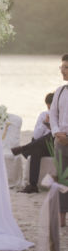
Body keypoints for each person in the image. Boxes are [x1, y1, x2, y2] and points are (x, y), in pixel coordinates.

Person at [11, 93, 54, 193]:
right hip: (43, 147)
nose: (50, 109)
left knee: (51, 135)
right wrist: (44, 123)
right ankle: (33, 185)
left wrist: (52, 125)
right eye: (49, 107)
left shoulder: (63, 115)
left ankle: (23, 148)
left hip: (57, 147)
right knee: (36, 150)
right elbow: (36, 136)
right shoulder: (43, 115)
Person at [49, 53, 68, 227]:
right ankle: (62, 217)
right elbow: (53, 114)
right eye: (61, 67)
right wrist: (56, 132)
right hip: (60, 141)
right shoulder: (60, 91)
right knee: (62, 179)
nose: (62, 70)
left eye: (65, 67)